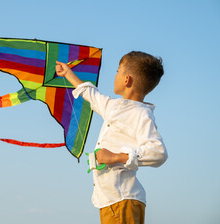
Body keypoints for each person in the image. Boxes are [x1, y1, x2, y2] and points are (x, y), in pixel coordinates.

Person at [55, 51, 168, 224]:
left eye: (117, 71)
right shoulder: (113, 106)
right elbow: (91, 95)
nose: (114, 75)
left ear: (127, 79)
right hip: (110, 201)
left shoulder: (141, 113)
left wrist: (116, 157)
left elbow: (158, 152)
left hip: (123, 199)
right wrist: (68, 73)